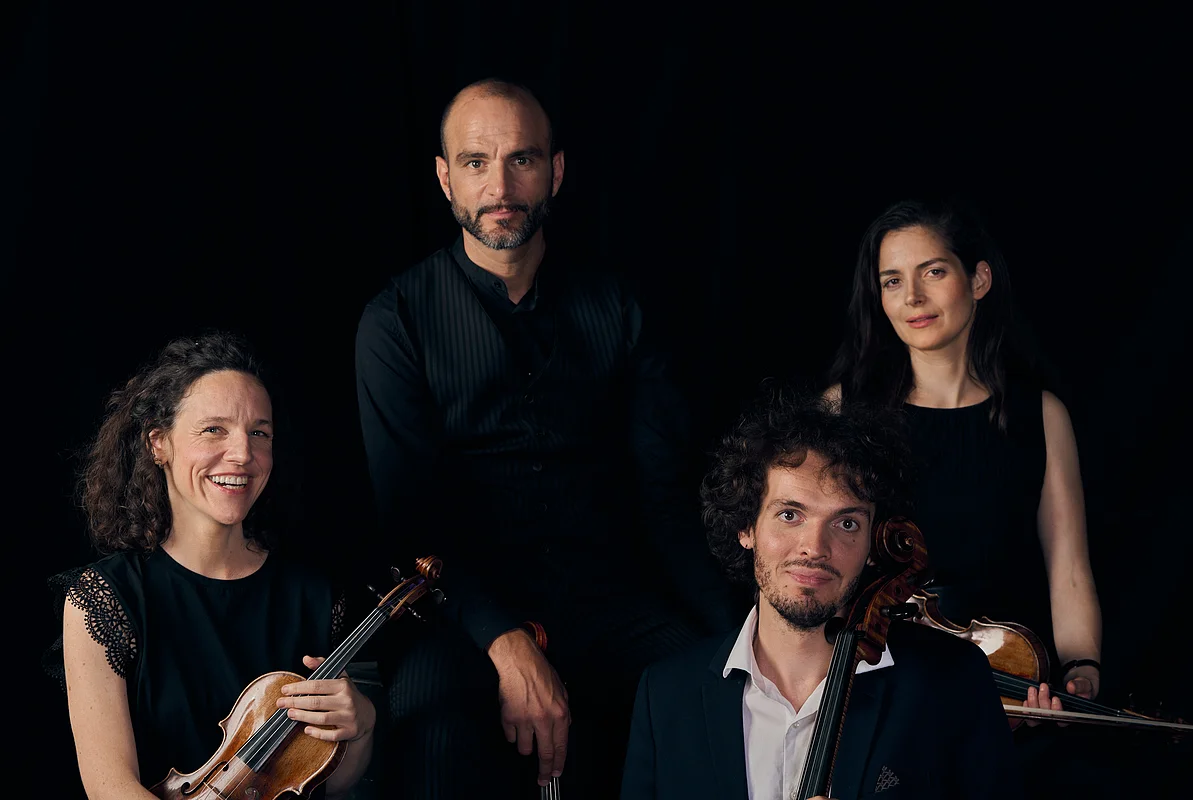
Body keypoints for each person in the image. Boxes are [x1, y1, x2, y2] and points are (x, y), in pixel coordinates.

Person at [354, 77, 735, 799]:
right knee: (433, 730)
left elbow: (665, 496)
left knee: (719, 695)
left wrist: (744, 634)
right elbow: (411, 523)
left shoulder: (618, 306)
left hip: (609, 600)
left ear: (555, 171)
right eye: (475, 162)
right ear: (444, 178)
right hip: (460, 613)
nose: (500, 187)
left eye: (522, 160)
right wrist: (504, 640)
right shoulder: (395, 320)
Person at [825, 198, 1106, 794]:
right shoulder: (844, 412)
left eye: (933, 271)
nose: (912, 298)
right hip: (877, 682)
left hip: (1005, 684)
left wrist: (1080, 670)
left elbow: (1069, 570)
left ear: (978, 279)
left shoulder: (1040, 416)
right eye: (892, 281)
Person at [620, 385, 1018, 799]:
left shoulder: (951, 682)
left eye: (846, 523)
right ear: (746, 527)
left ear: (873, 544)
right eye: (790, 515)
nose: (815, 547)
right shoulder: (666, 695)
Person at [47, 332, 375, 800]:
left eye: (259, 433)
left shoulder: (316, 595)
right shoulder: (106, 598)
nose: (243, 454)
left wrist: (361, 727)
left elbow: (325, 785)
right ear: (158, 444)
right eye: (214, 429)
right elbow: (109, 786)